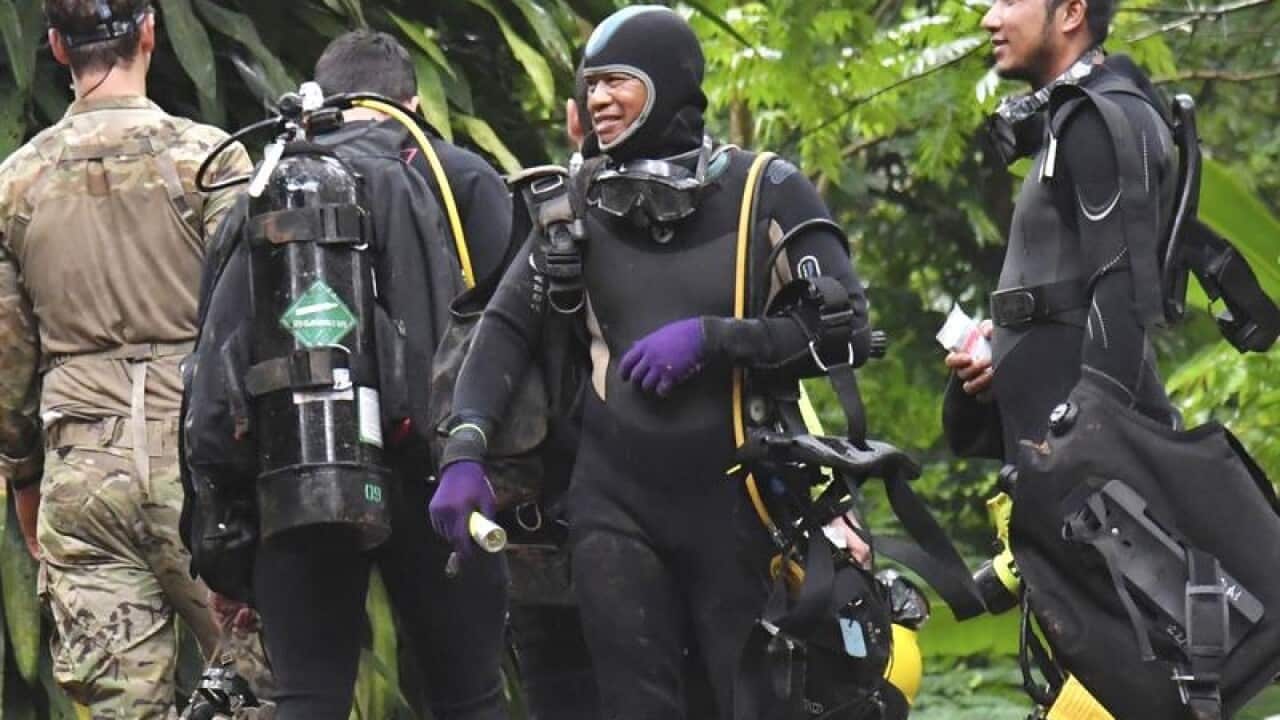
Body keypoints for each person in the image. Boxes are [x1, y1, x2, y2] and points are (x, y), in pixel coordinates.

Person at [432, 6, 872, 718]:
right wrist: (464, 449)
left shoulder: (767, 188)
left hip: (740, 502)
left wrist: (716, 338)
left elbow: (844, 331)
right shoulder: (572, 206)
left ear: (668, 83)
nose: (595, 99)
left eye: (616, 82)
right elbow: (506, 330)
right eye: (589, 85)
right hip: (613, 504)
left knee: (745, 699)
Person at [186, 31, 514, 720]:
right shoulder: (463, 178)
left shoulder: (266, 189)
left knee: (308, 697)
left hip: (302, 466)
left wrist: (224, 533)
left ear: (317, 101)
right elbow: (511, 339)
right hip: (442, 481)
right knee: (469, 696)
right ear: (412, 104)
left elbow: (213, 374)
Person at [0, 1, 255, 716]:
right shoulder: (210, 161)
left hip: (82, 471)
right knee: (263, 686)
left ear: (54, 47)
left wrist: (25, 481)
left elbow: (8, 360)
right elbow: (252, 321)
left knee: (120, 706)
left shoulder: (14, 183)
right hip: (204, 468)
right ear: (150, 32)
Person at [944, 0, 1177, 461]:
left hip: (1088, 471)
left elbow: (1123, 289)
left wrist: (1082, 436)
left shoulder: (1102, 117)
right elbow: (1069, 291)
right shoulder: (1071, 119)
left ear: (1071, 13)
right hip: (1054, 448)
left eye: (1009, 2)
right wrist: (1008, 340)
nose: (990, 19)